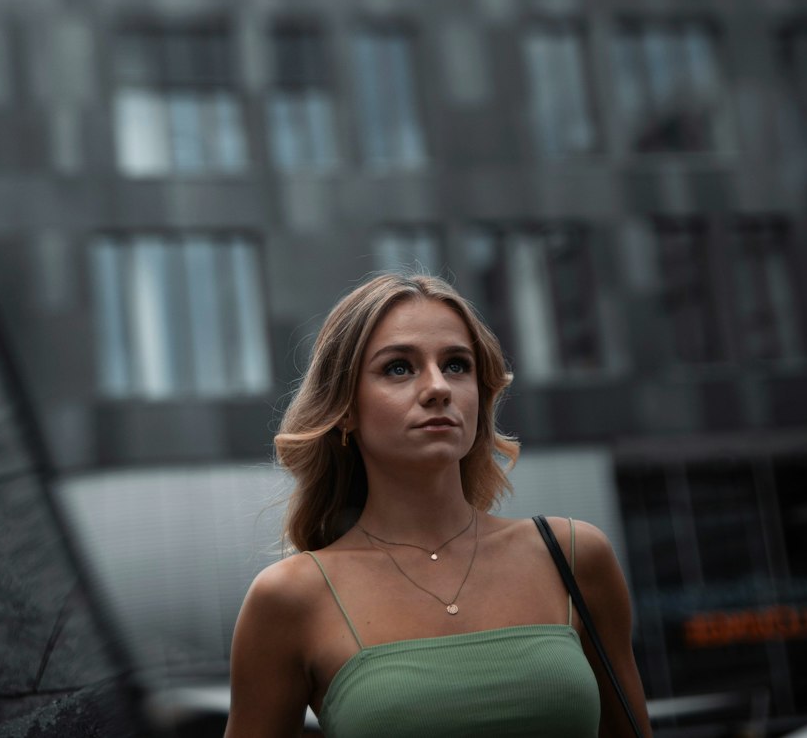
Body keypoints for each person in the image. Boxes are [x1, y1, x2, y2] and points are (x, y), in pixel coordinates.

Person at [225, 273, 651, 737]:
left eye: (456, 365)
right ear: (345, 408)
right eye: (399, 368)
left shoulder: (571, 555)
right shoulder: (291, 597)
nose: (437, 388)